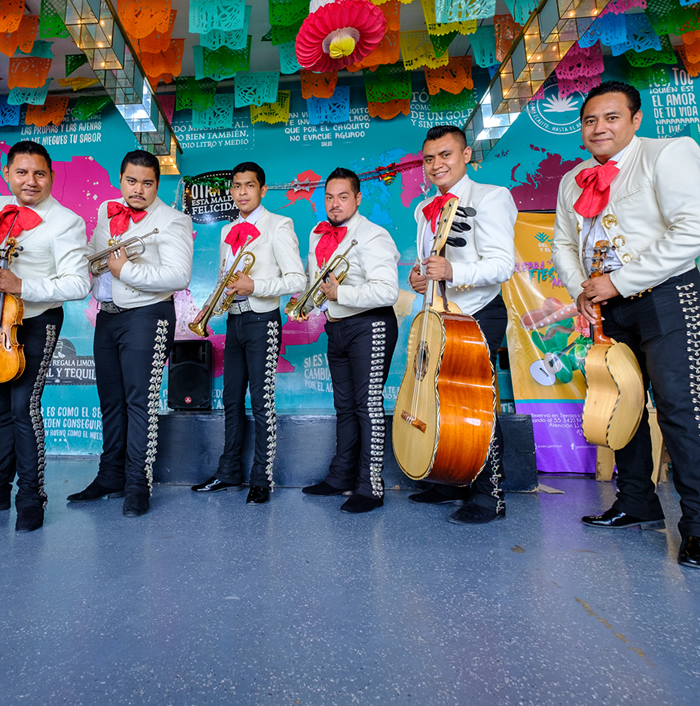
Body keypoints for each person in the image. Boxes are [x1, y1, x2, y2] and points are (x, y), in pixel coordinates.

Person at [551, 80, 700, 569]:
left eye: (611, 117)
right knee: (619, 405)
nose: (599, 127)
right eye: (589, 120)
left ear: (635, 119)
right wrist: (582, 289)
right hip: (607, 306)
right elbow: (564, 244)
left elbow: (696, 229)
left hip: (665, 296)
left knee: (678, 408)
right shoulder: (573, 179)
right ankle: (636, 502)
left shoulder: (668, 153)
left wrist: (619, 281)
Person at [0, 141, 89, 532]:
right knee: (3, 407)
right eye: (22, 172)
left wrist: (23, 286)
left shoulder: (66, 221)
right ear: (7, 174)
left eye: (40, 173)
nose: (31, 181)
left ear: (52, 178)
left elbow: (78, 283)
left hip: (39, 319)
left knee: (24, 407)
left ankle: (31, 497)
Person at [68, 150, 193, 517]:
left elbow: (178, 276)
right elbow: (95, 255)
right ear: (120, 179)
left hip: (147, 315)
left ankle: (138, 483)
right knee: (111, 400)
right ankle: (110, 475)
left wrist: (127, 272)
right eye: (131, 181)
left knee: (140, 402)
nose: (138, 189)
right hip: (107, 315)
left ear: (158, 183)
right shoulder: (108, 210)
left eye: (147, 182)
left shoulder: (174, 220)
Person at [406, 125, 518, 524]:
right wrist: (419, 277)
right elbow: (428, 264)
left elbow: (503, 264)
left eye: (446, 155)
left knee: (476, 404)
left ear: (466, 155)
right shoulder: (424, 208)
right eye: (430, 158)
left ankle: (491, 495)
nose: (437, 165)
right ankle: (449, 478)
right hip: (439, 316)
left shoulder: (491, 197)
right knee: (438, 400)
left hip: (477, 314)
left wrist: (453, 270)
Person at [191, 162, 306, 504]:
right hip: (235, 321)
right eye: (237, 186)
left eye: (249, 185)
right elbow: (225, 278)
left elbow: (297, 279)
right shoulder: (228, 230)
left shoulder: (278, 225)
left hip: (263, 321)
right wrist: (209, 306)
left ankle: (261, 478)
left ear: (262, 190)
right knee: (230, 399)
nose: (242, 191)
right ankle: (228, 472)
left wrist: (255, 284)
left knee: (261, 401)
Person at [301, 169, 400, 513]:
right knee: (344, 406)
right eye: (329, 197)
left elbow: (388, 291)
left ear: (358, 199)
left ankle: (370, 487)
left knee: (367, 405)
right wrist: (311, 302)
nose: (335, 203)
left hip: (370, 325)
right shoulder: (318, 235)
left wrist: (338, 291)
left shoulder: (373, 235)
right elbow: (320, 285)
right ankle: (341, 476)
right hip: (337, 326)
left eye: (343, 196)